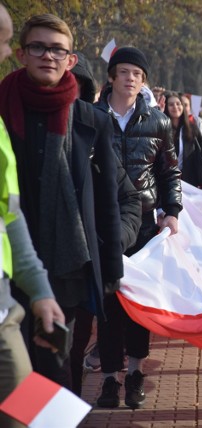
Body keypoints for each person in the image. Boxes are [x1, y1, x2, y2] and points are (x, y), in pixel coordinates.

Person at [0, 13, 123, 391]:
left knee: (55, 366)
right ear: (21, 54)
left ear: (71, 60)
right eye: (38, 47)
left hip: (67, 264)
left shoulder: (93, 121)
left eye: (58, 50)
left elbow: (108, 200)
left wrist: (112, 268)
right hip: (10, 262)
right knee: (16, 367)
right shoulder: (2, 106)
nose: (48, 56)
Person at [95, 46, 182, 409]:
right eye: (124, 71)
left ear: (143, 81)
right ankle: (108, 379)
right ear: (112, 76)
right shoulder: (91, 116)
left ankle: (134, 373)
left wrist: (172, 210)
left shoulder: (157, 121)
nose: (130, 79)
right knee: (109, 304)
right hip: (102, 223)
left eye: (137, 74)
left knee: (138, 304)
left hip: (144, 226)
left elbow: (170, 171)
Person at [0, 7, 65, 427]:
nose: (7, 53)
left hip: (6, 309)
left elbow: (8, 214)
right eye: (3, 41)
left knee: (40, 413)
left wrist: (40, 291)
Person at [68, 51, 142, 397]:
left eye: (73, 89)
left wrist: (113, 244)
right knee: (31, 357)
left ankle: (61, 412)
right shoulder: (15, 128)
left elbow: (129, 198)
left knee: (69, 349)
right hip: (26, 274)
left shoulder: (93, 136)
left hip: (88, 264)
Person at [164, 91, 202, 196]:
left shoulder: (192, 128)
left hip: (190, 183)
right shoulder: (161, 129)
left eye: (178, 103)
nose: (175, 107)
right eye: (171, 104)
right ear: (166, 107)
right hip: (167, 183)